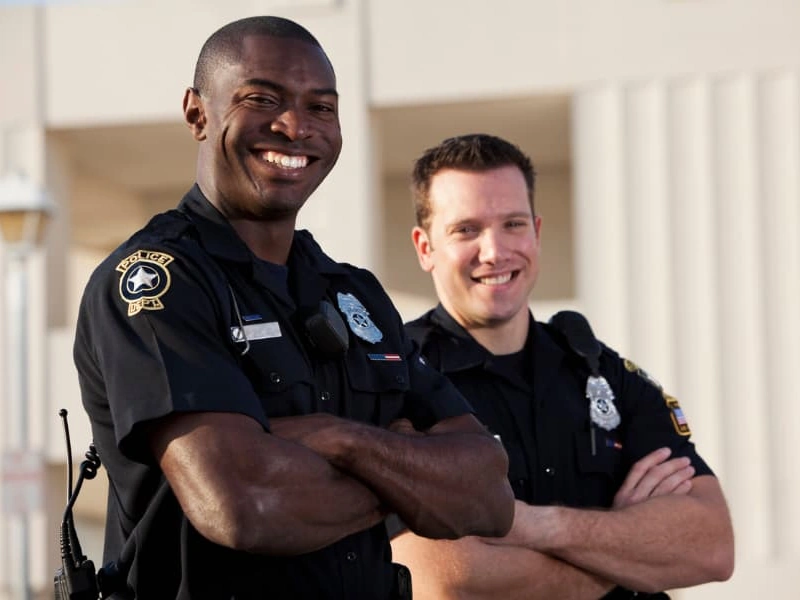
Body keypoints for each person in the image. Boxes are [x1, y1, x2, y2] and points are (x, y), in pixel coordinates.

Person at [72, 20, 514, 600]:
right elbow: (243, 505)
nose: (295, 126)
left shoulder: (353, 294)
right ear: (197, 113)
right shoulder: (158, 284)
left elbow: (487, 495)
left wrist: (341, 440)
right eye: (262, 98)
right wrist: (414, 478)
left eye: (321, 107)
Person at [390, 133, 735, 599]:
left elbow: (711, 546)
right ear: (425, 247)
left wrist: (534, 526)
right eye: (466, 230)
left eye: (512, 224)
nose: (494, 251)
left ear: (536, 231)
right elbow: (445, 580)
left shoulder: (603, 374)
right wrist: (628, 546)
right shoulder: (394, 382)